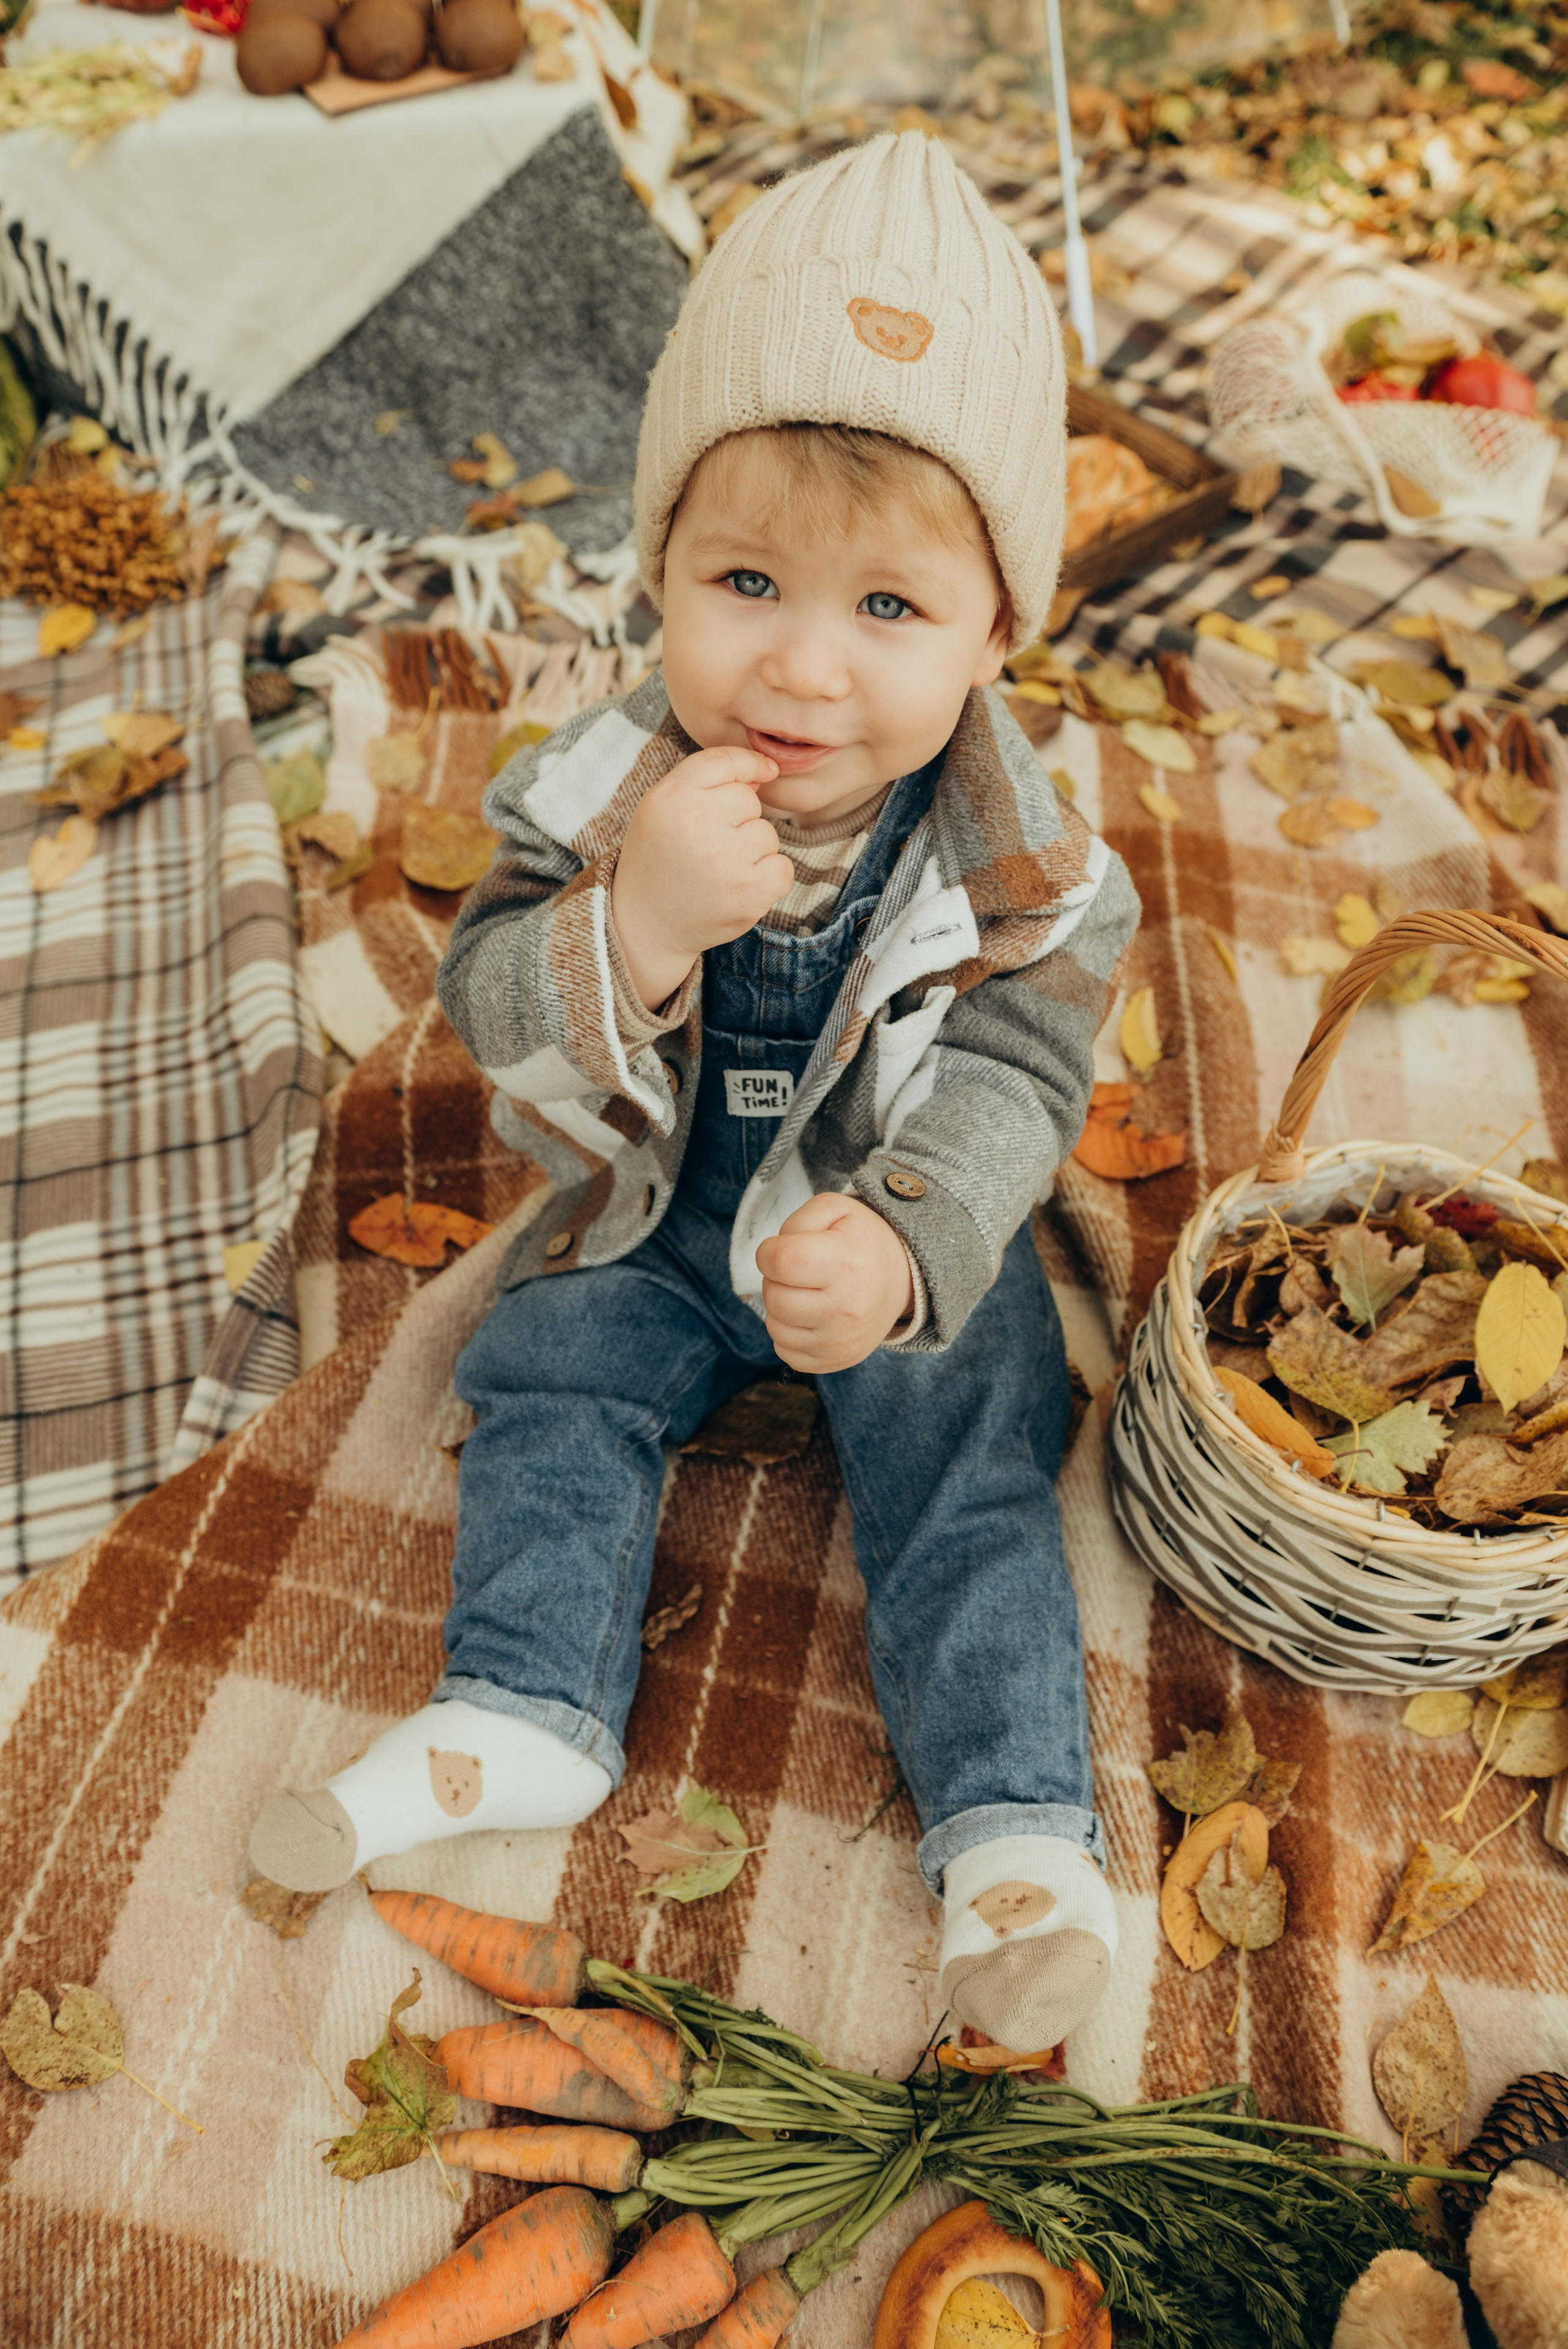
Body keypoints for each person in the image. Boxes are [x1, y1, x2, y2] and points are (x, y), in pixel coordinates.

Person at [251, 129, 1140, 2054]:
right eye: (745, 580)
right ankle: (522, 1714)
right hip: (655, 1205)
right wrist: (632, 927)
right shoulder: (592, 793)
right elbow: (491, 1010)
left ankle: (1010, 1835)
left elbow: (1020, 1062)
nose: (803, 670)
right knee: (547, 1373)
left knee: (970, 1448)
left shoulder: (1026, 865)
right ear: (657, 567)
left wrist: (907, 1246)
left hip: (876, 1229)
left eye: (894, 611)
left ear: (1000, 629)